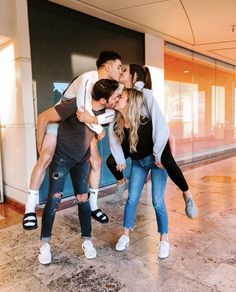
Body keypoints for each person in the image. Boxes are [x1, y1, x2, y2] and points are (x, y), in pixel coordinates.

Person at [22, 51, 122, 230]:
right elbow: (82, 111)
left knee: (97, 162)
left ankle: (93, 205)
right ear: (107, 66)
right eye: (118, 67)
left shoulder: (106, 88)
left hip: (82, 125)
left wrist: (98, 124)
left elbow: (91, 116)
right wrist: (40, 147)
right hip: (63, 118)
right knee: (45, 158)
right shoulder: (88, 79)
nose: (121, 71)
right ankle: (30, 208)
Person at [37, 79, 120, 264]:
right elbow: (44, 117)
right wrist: (41, 153)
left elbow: (90, 134)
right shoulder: (75, 104)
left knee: (84, 200)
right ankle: (44, 245)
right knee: (54, 199)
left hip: (81, 161)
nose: (118, 99)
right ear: (104, 99)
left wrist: (97, 136)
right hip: (61, 160)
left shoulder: (106, 113)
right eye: (115, 97)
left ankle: (87, 241)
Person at [106, 64, 197, 219]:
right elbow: (112, 125)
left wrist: (158, 153)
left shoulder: (145, 94)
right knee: (111, 161)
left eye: (125, 70)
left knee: (167, 160)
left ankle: (187, 195)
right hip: (133, 138)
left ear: (134, 77)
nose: (121, 72)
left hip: (151, 138)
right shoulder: (121, 95)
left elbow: (158, 123)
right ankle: (122, 183)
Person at [111, 88, 169, 258]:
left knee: (157, 201)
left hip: (156, 162)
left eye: (122, 97)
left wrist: (161, 157)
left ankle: (164, 239)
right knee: (132, 198)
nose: (118, 98)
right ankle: (125, 235)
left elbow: (165, 134)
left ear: (130, 103)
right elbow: (113, 142)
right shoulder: (118, 122)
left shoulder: (146, 122)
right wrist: (120, 159)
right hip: (138, 163)